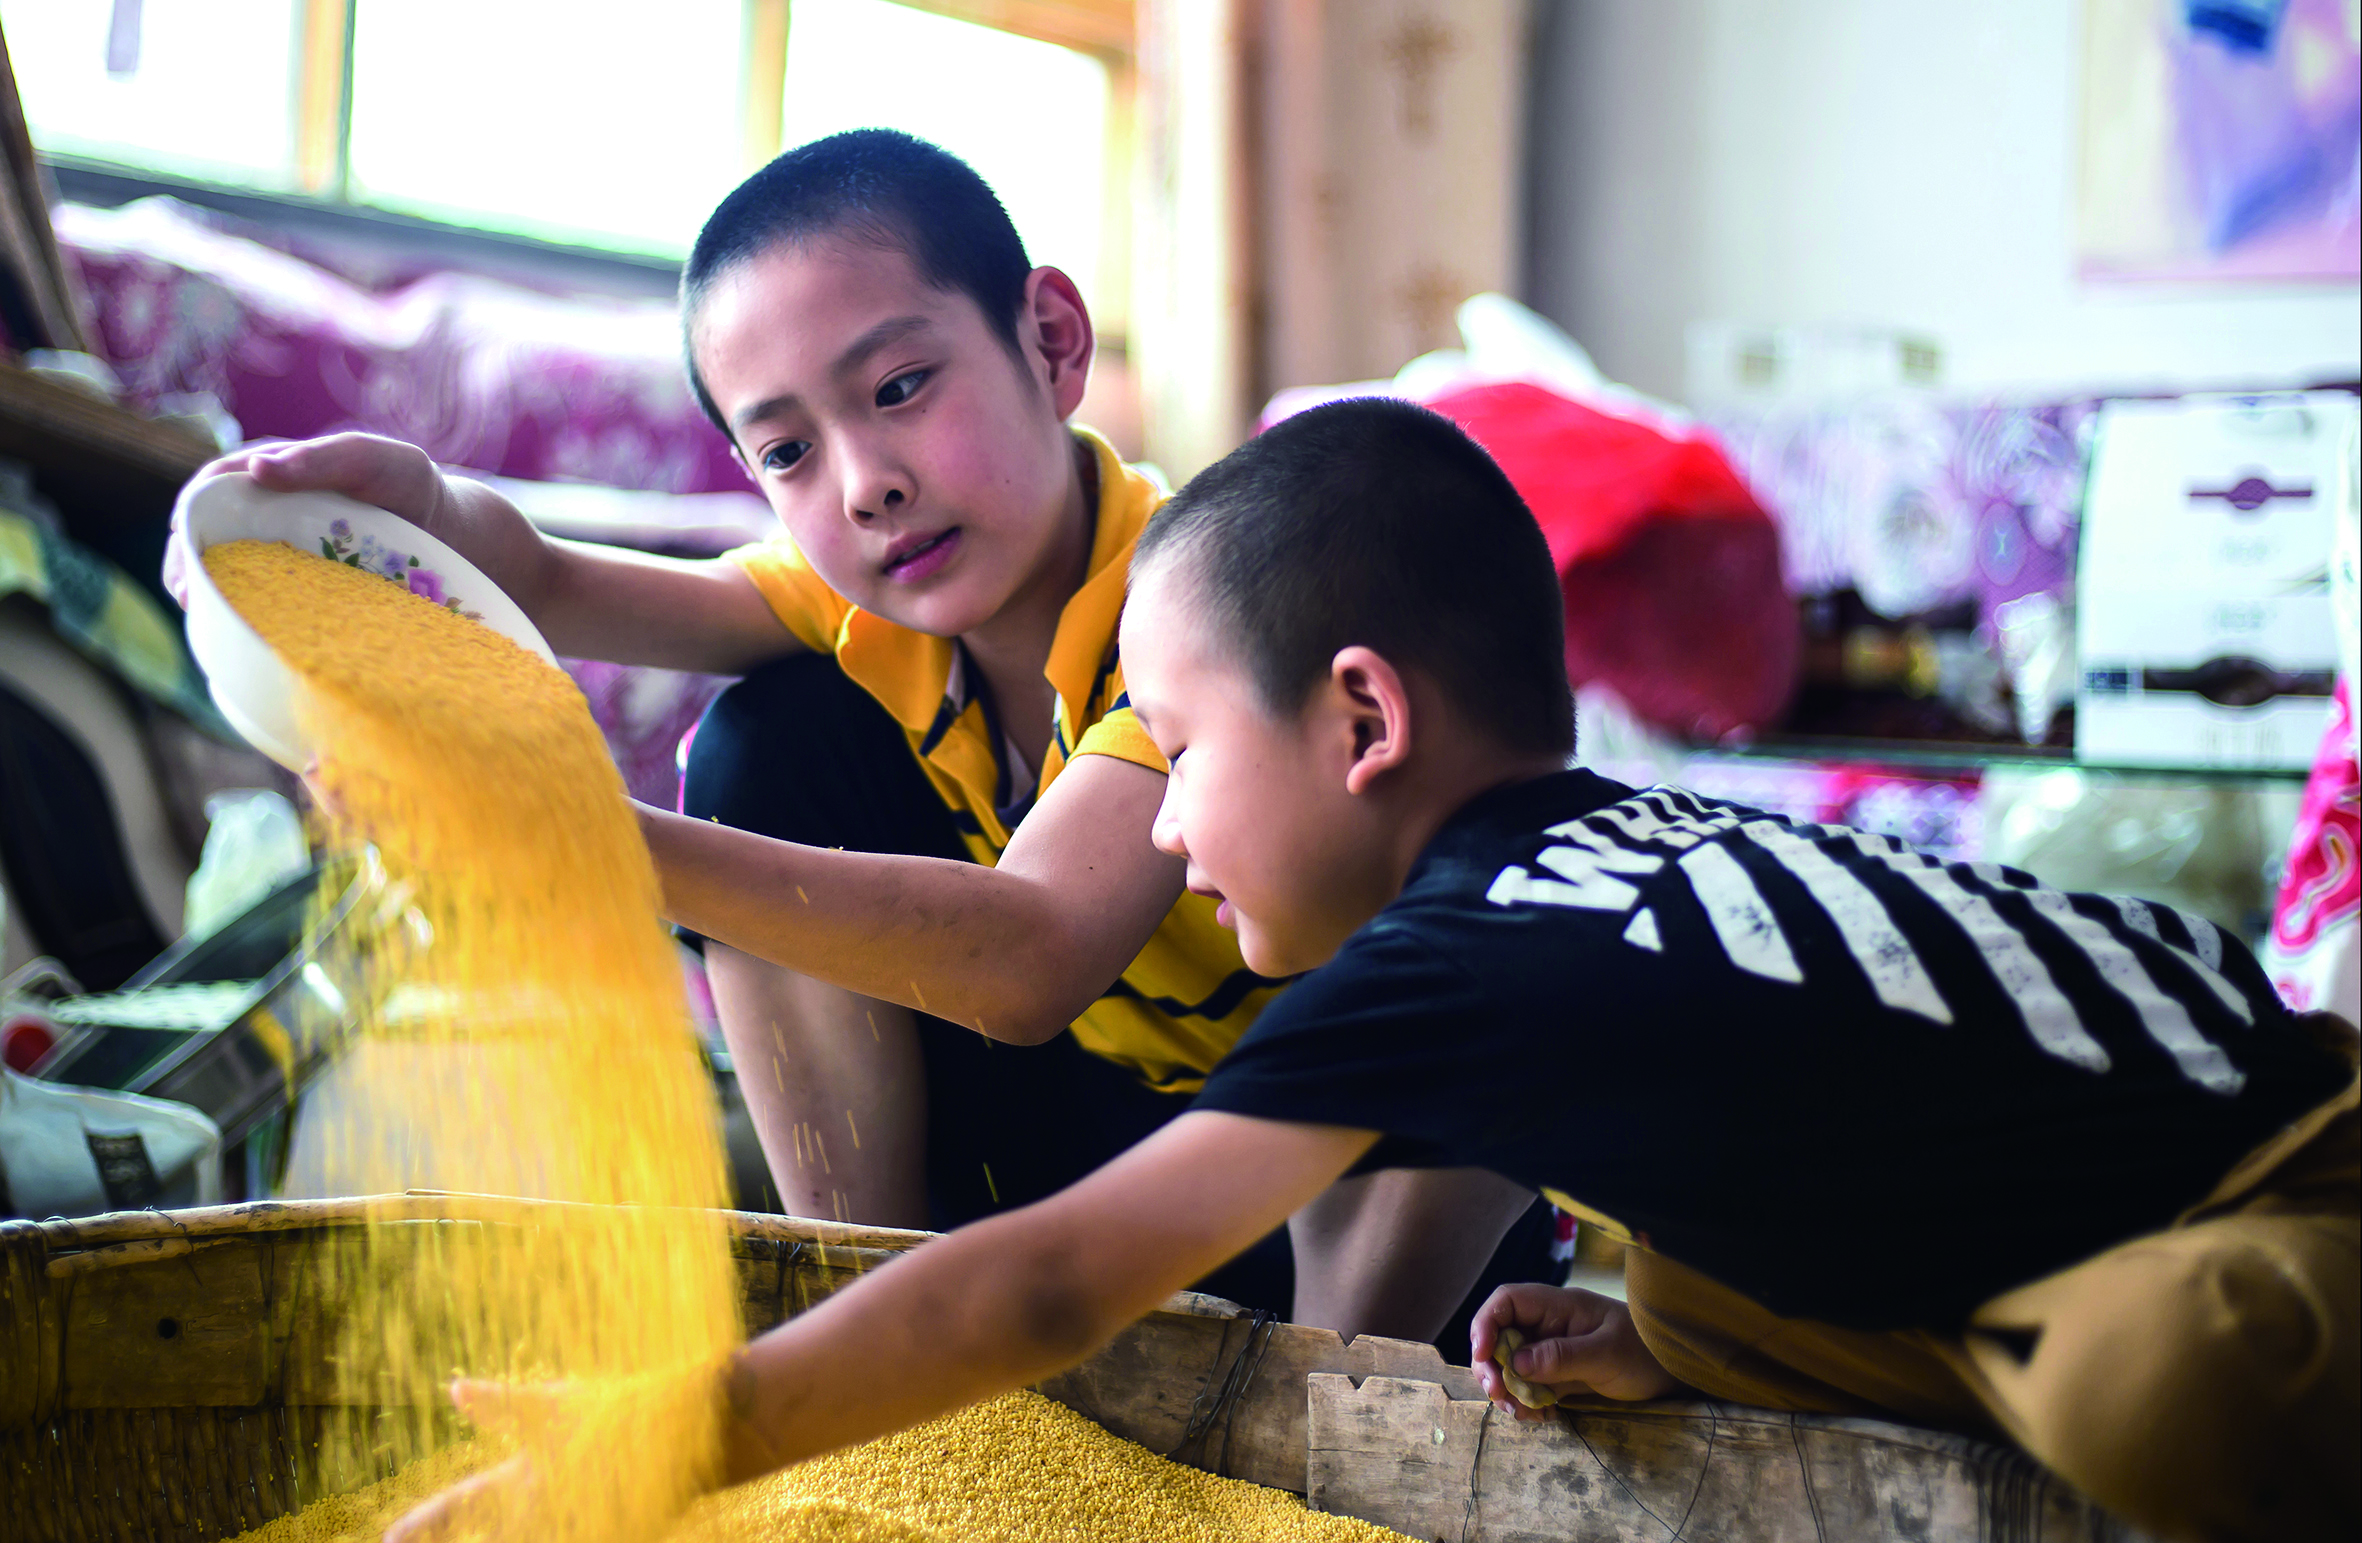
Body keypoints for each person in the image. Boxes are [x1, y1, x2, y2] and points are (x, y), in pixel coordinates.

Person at [391, 397, 2359, 1543]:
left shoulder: (1471, 953)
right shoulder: (1600, 854)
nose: (1165, 825)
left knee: (2166, 1381)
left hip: (2288, 1176)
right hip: (2058, 1207)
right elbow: (1854, 1143)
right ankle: (1843, 1350)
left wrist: (683, 1434)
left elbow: (1050, 1275)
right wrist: (1682, 1348)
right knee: (1680, 1274)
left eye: (1175, 748)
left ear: (1360, 719)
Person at [178, 130, 1553, 1340]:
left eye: (899, 388)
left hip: (1323, 1178)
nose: (866, 483)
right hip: (1098, 1152)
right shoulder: (857, 604)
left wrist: (574, 828)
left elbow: (1029, 958)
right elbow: (550, 583)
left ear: (1051, 341)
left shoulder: (1196, 607)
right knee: (762, 740)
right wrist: (426, 508)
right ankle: (863, 1295)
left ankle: (1301, 1419)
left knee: (1464, 1044)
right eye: (787, 452)